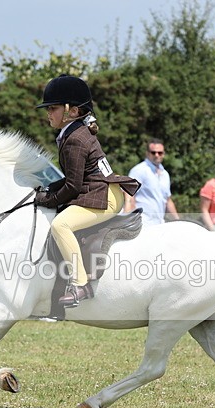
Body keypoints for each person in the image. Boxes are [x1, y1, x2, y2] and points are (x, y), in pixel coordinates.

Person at [35, 75, 140, 308]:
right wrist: (49, 190)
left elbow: (73, 186)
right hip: (98, 189)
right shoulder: (73, 132)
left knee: (60, 225)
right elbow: (74, 178)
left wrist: (48, 199)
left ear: (72, 111)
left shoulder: (76, 139)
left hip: (104, 196)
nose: (48, 113)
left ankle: (80, 284)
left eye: (52, 108)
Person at [124, 138, 179, 225]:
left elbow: (167, 200)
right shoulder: (139, 170)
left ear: (163, 154)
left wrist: (178, 221)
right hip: (143, 223)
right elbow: (129, 195)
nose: (157, 155)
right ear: (147, 153)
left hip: (159, 224)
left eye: (160, 153)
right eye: (153, 152)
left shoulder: (165, 174)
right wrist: (128, 220)